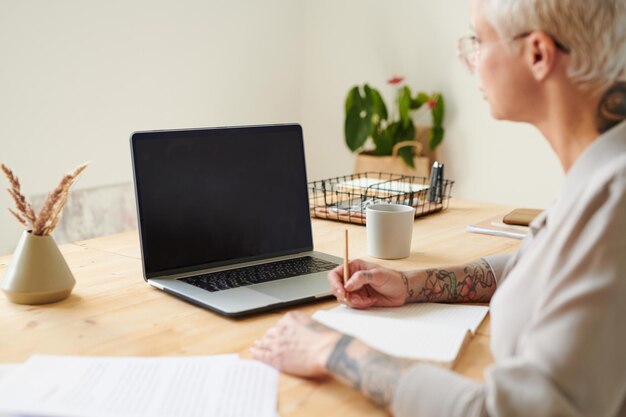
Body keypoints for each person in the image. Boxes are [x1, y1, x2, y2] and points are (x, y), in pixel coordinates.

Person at [251, 0, 626, 415]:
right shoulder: (601, 172)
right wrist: (413, 284)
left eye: (478, 41)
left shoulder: (615, 202)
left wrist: (334, 349)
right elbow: (539, 264)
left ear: (538, 53)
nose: (470, 60)